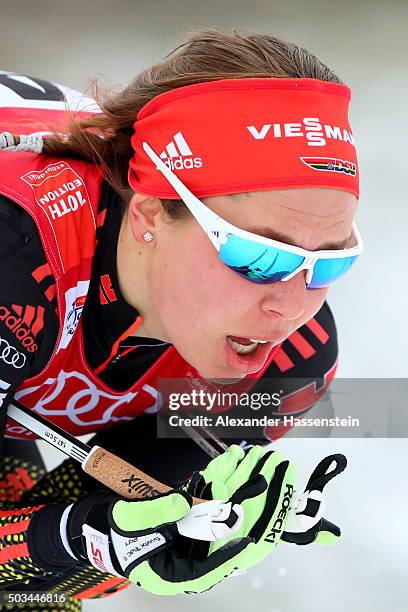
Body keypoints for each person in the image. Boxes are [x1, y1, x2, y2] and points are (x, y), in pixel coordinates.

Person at [0, 28, 360, 609]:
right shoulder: (19, 261)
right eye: (260, 256)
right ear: (149, 214)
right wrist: (81, 538)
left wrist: (142, 544)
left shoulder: (290, 361)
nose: (291, 309)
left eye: (327, 264)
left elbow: (92, 532)